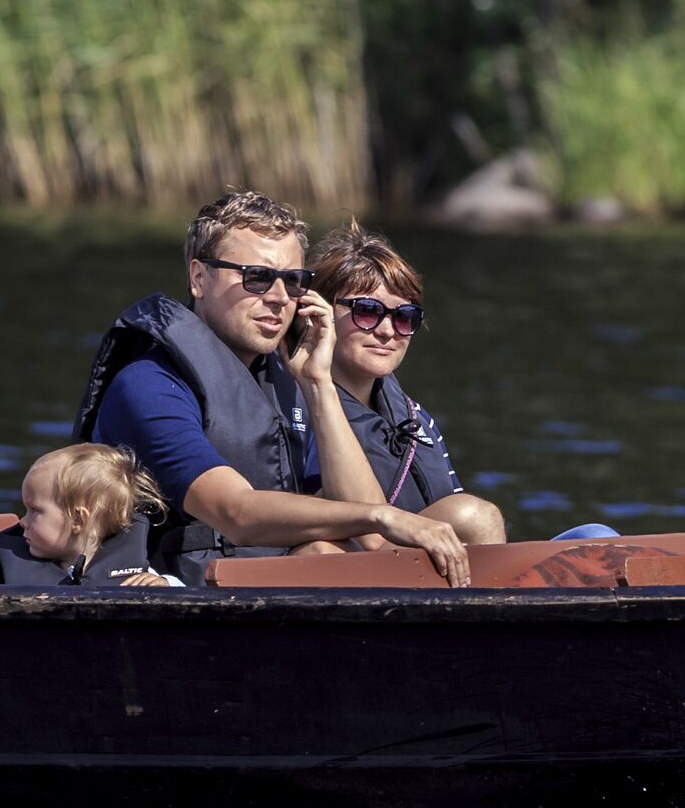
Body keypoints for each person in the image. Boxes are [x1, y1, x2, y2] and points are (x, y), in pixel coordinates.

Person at [72, 187, 473, 586]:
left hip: (263, 580)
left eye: (294, 281)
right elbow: (235, 514)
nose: (280, 298)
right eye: (257, 278)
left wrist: (318, 385)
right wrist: (384, 515)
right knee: (324, 554)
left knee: (374, 543)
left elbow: (368, 538)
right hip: (179, 588)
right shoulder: (149, 385)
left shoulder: (290, 382)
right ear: (199, 277)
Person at [305, 224, 510, 549]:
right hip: (358, 571)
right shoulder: (297, 406)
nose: (387, 331)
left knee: (595, 536)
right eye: (368, 311)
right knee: (473, 515)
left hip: (430, 568)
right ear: (319, 313)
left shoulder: (416, 417)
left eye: (404, 317)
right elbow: (360, 536)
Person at [0, 442, 185, 589]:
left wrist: (165, 584)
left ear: (78, 519)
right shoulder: (13, 569)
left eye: (34, 510)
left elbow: (184, 598)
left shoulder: (135, 578)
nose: (22, 522)